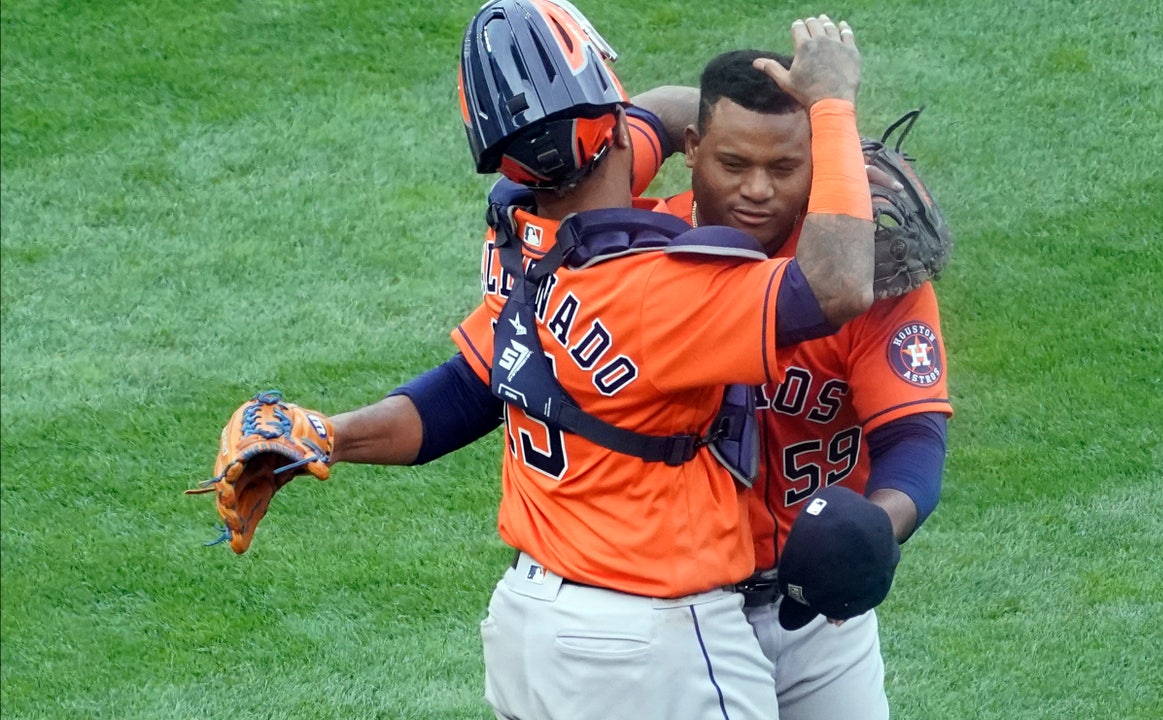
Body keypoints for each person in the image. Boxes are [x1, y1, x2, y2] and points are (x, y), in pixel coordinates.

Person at [240, 3, 879, 720]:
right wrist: (830, 109)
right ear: (614, 123)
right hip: (650, 649)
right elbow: (838, 284)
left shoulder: (520, 240)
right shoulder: (664, 289)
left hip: (530, 631)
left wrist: (330, 434)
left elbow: (467, 390)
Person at [625, 49, 954, 720]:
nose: (758, 190)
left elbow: (914, 439)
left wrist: (873, 529)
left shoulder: (871, 268)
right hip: (675, 610)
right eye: (734, 164)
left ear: (819, 162)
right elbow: (588, 164)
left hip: (819, 618)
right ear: (693, 150)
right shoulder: (642, 257)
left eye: (783, 168)